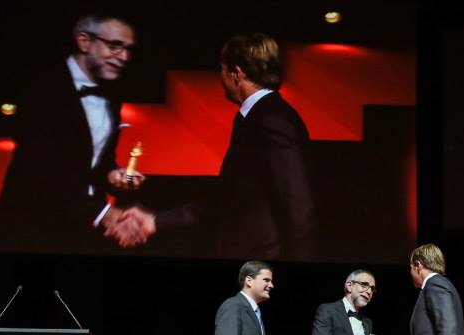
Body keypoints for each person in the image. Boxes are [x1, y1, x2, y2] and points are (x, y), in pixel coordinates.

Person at [110, 33, 313, 260]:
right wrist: (156, 221)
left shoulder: (271, 119)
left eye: (222, 69)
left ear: (236, 74)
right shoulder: (256, 116)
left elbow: (296, 202)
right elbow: (230, 195)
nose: (220, 76)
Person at [0, 14, 144, 252]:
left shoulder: (112, 92)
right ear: (84, 41)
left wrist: (113, 174)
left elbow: (97, 159)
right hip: (30, 227)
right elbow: (36, 170)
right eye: (115, 46)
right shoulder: (41, 87)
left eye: (128, 49)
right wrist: (102, 212)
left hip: (84, 229)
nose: (124, 57)